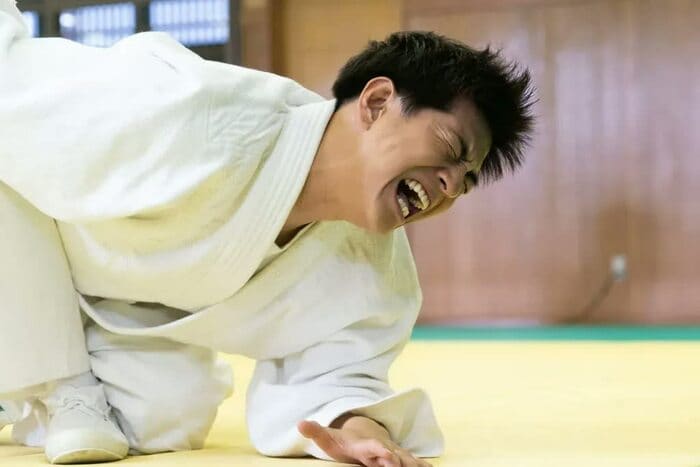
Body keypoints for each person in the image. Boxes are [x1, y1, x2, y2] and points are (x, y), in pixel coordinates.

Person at [0, 0, 535, 465]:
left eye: (465, 181)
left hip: (112, 298)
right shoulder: (185, 111)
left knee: (168, 413)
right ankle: (49, 377)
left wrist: (357, 428)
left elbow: (338, 376)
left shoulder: (374, 265)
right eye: (451, 148)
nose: (450, 185)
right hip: (30, 237)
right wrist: (60, 372)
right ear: (376, 103)